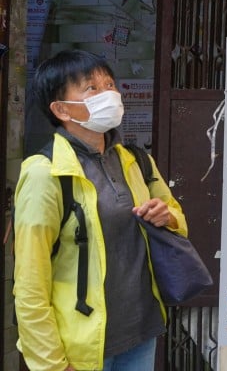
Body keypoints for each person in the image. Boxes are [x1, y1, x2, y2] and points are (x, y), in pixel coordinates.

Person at [14, 49, 189, 371]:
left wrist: (168, 216)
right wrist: (50, 363)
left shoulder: (134, 159)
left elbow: (177, 219)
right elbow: (29, 282)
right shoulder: (46, 172)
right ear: (62, 109)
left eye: (109, 84)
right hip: (80, 345)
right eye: (91, 88)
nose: (109, 94)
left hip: (141, 330)